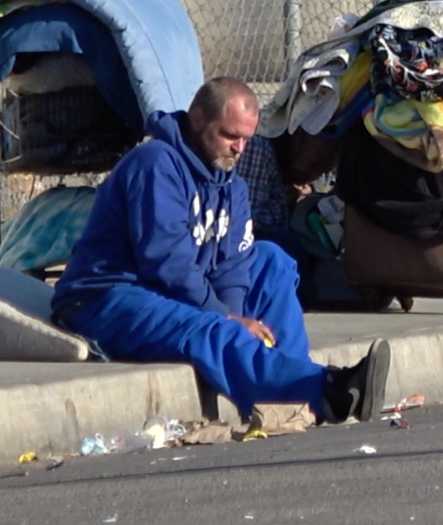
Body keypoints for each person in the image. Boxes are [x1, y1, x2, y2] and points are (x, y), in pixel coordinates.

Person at [51, 77, 390, 423]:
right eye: (230, 136)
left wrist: (236, 314)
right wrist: (226, 318)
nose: (239, 149)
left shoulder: (232, 185)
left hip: (169, 291)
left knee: (273, 261)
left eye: (246, 139)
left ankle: (288, 378)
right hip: (109, 297)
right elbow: (166, 261)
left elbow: (233, 264)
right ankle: (323, 390)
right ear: (198, 119)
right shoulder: (155, 164)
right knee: (213, 329)